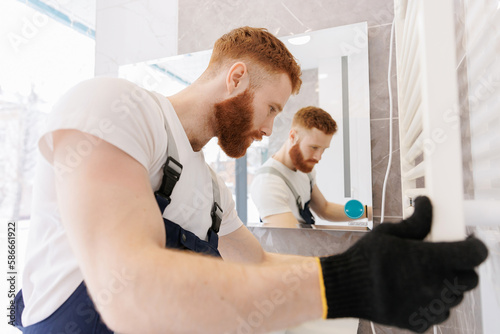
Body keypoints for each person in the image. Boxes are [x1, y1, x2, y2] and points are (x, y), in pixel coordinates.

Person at [13, 26, 487, 334]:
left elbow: (257, 261)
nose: (270, 129)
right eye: (273, 109)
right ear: (236, 78)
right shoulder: (117, 106)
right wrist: (349, 285)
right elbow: (130, 291)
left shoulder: (213, 192)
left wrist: (369, 258)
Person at [251, 106, 370, 229]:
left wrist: (371, 212)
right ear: (293, 137)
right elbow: (291, 239)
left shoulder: (305, 169)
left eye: (323, 149)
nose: (318, 157)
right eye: (314, 147)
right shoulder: (268, 182)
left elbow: (325, 209)